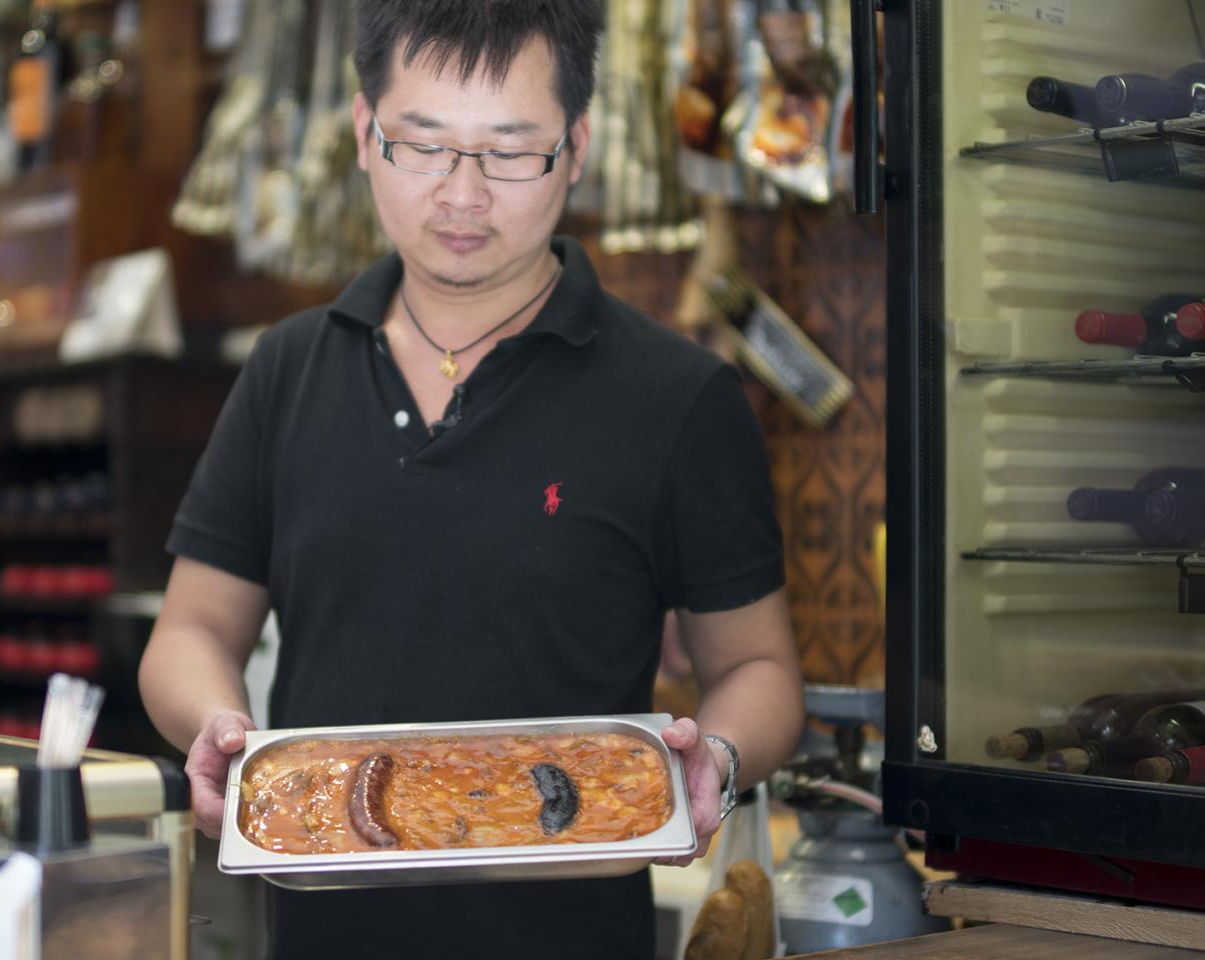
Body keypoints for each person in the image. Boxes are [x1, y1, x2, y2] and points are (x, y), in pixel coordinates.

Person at [140, 2, 803, 957]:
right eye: (423, 145)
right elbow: (191, 630)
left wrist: (719, 760)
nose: (461, 195)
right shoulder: (288, 370)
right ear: (366, 135)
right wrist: (219, 728)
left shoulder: (678, 397)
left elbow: (759, 668)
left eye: (509, 152)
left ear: (574, 148)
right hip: (319, 935)